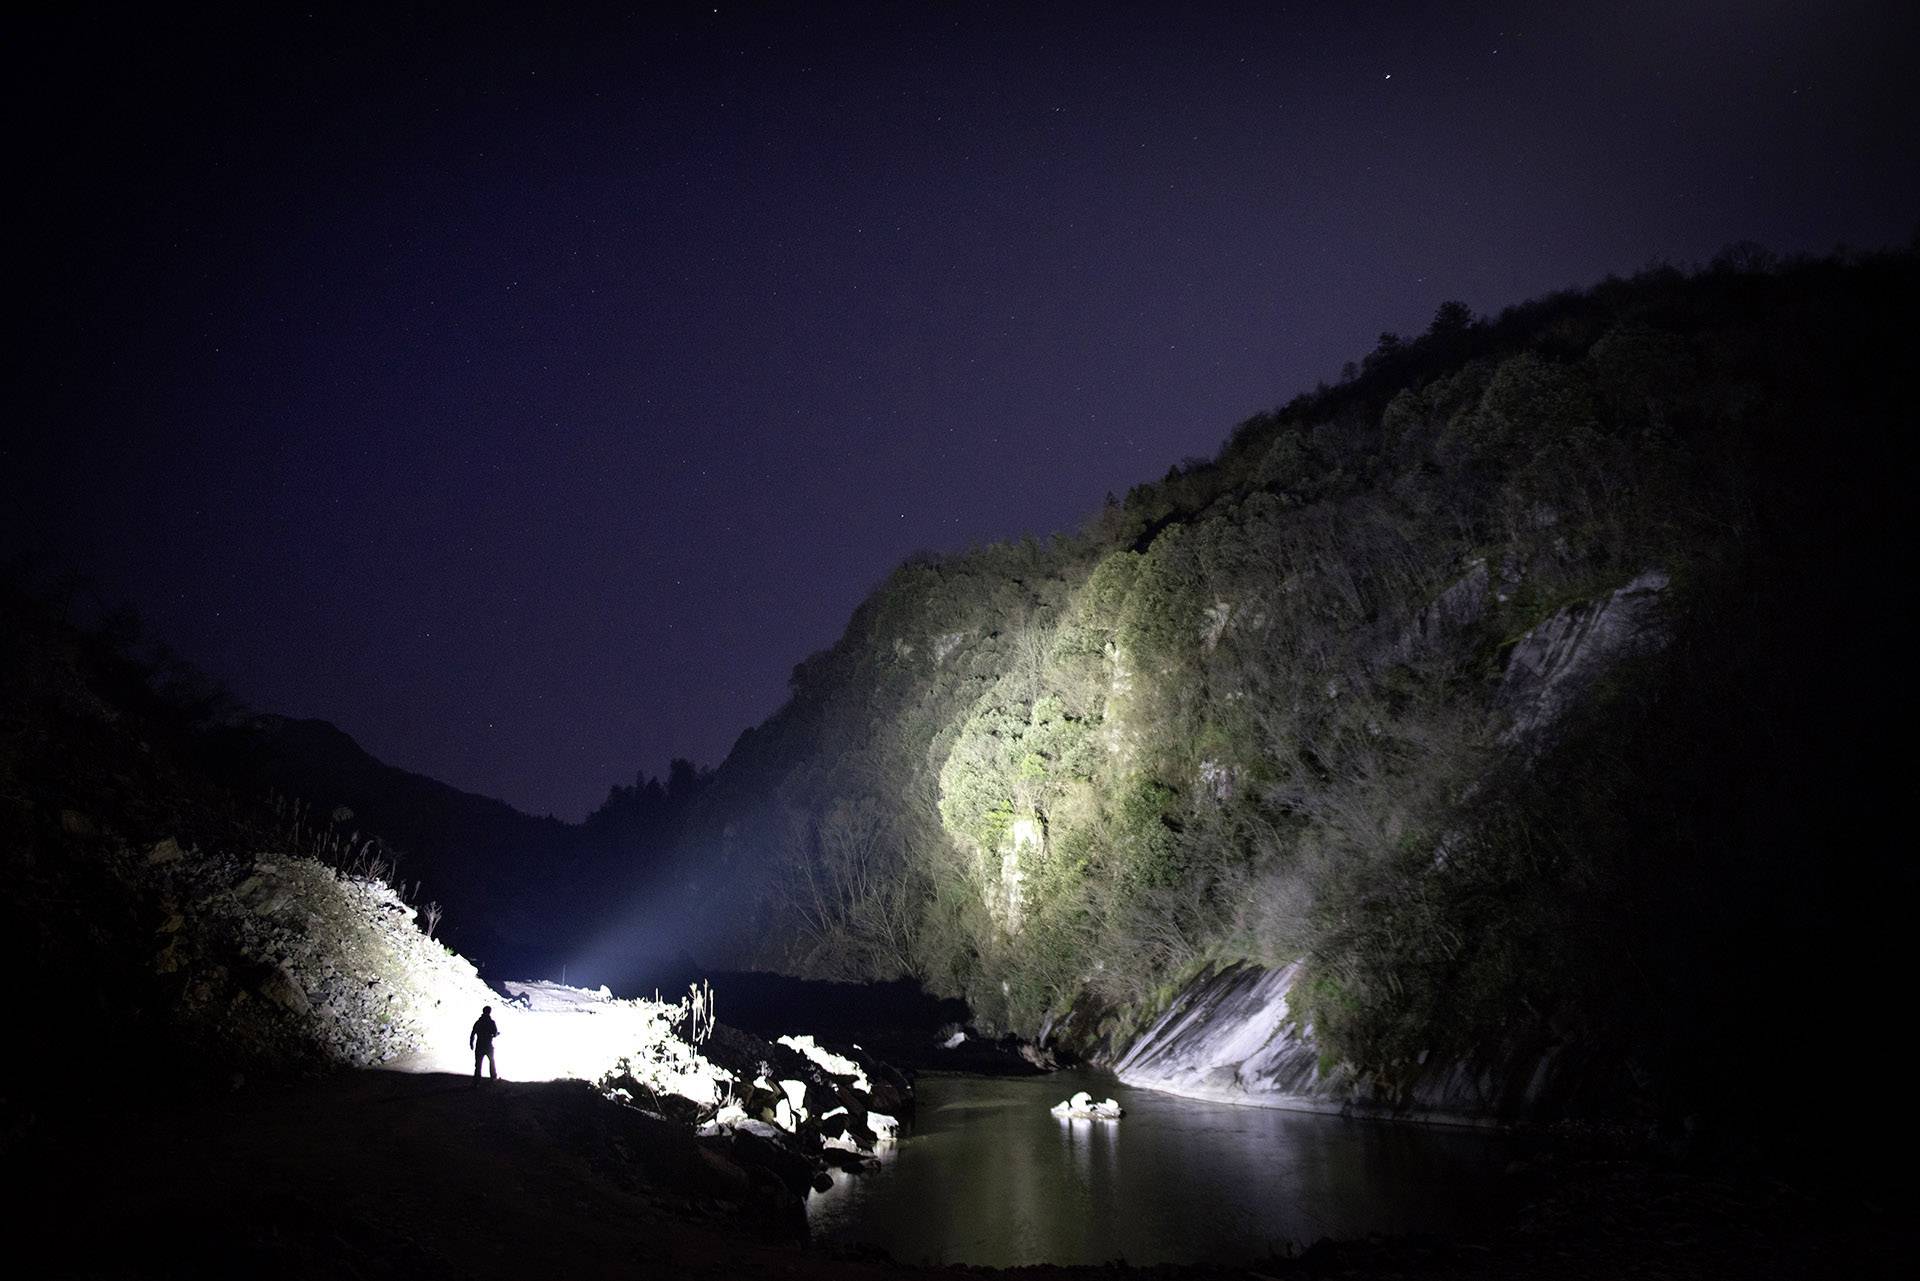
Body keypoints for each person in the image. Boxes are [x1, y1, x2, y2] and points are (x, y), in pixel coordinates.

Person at [470, 1005, 500, 1081]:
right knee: (492, 1061)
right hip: (488, 1045)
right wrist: (496, 1034)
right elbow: (495, 1033)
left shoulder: (478, 1022)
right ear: (489, 1012)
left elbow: (473, 1033)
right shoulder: (491, 1022)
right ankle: (493, 1077)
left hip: (479, 1045)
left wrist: (471, 1043)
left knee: (478, 1064)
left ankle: (477, 1080)